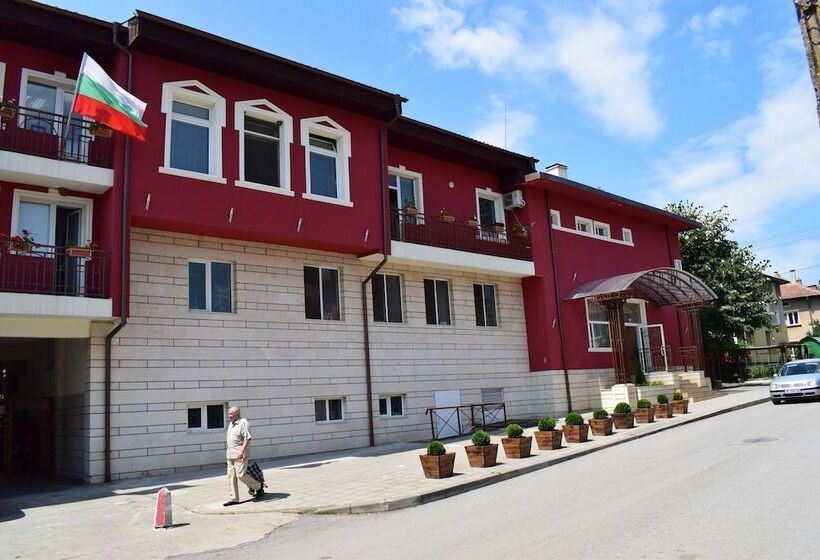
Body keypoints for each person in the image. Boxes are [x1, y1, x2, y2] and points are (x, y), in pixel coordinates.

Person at [223, 405, 263, 506]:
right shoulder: (231, 424)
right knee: (231, 477)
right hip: (230, 455)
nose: (229, 416)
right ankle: (234, 499)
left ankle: (258, 486)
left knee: (241, 475)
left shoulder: (243, 422)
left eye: (231, 414)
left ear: (237, 413)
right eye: (228, 414)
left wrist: (241, 452)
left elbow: (247, 438)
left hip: (240, 455)